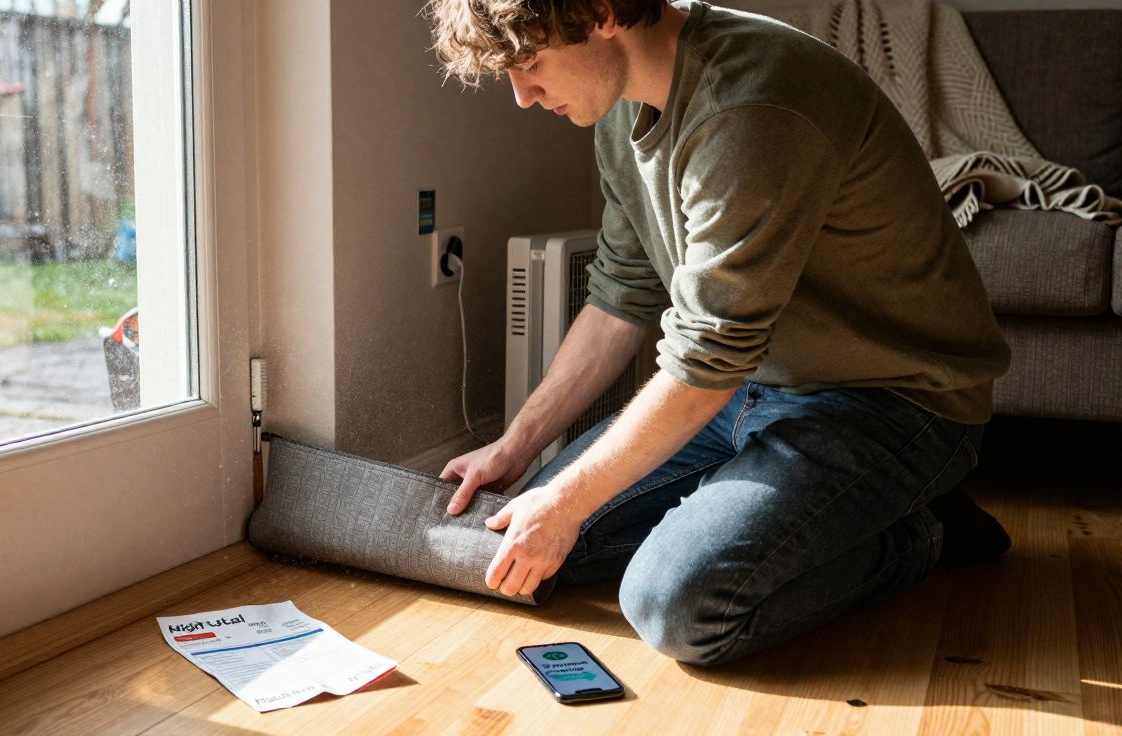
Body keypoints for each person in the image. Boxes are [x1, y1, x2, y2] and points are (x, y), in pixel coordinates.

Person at [427, 0, 1014, 667]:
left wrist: (565, 498)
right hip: (751, 388)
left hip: (891, 401)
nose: (523, 97)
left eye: (531, 65)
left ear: (603, 13)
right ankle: (837, 513)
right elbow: (624, 293)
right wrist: (517, 445)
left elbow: (710, 352)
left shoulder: (755, 103)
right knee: (535, 549)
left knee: (674, 606)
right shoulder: (619, 110)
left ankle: (920, 530)